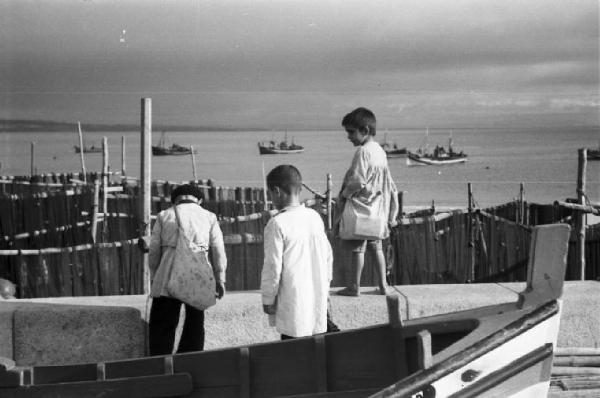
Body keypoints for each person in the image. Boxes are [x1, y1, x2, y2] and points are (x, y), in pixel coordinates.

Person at [148, 184, 226, 355]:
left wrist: (154, 277)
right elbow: (219, 251)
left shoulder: (164, 215)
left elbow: (153, 251)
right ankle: (191, 362)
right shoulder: (209, 217)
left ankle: (161, 367)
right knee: (195, 322)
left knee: (162, 325)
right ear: (199, 200)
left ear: (175, 200)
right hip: (197, 272)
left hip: (167, 274)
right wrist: (220, 279)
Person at [261, 165, 333, 339]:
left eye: (270, 194)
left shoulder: (277, 223)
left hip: (293, 307)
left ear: (276, 191)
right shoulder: (314, 218)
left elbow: (272, 266)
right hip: (317, 304)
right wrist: (326, 288)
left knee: (293, 357)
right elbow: (328, 259)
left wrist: (268, 299)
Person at [336, 107, 399, 297]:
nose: (348, 137)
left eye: (351, 132)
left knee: (358, 248)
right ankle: (383, 285)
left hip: (361, 207)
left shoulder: (363, 152)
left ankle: (354, 287)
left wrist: (344, 195)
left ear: (364, 130)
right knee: (376, 246)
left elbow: (357, 180)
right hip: (376, 207)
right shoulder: (380, 150)